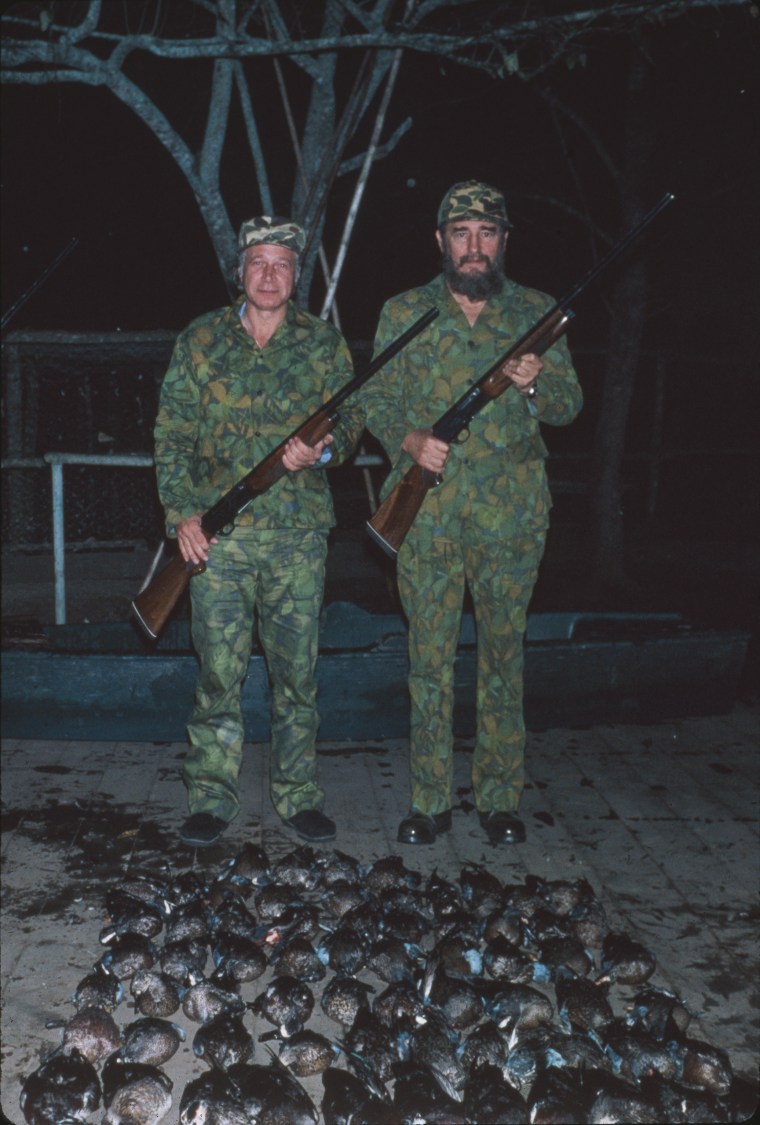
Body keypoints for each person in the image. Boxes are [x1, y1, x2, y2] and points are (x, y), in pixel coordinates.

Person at [362, 180, 583, 846]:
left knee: (502, 656)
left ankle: (499, 802)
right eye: (461, 233)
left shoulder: (540, 312)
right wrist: (411, 440)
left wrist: (536, 381)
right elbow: (372, 401)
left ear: (504, 241)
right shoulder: (404, 312)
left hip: (511, 519)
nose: (474, 246)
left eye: (487, 233)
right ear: (441, 242)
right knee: (428, 659)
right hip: (425, 517)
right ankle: (429, 802)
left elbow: (569, 405)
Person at [153, 216, 364, 847]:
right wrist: (182, 515)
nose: (269, 275)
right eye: (258, 263)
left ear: (297, 276)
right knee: (219, 673)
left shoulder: (324, 344)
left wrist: (322, 452)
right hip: (219, 539)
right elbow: (172, 435)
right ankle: (211, 798)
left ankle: (298, 796)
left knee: (296, 674)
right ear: (240, 272)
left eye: (281, 264)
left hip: (298, 536)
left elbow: (352, 422)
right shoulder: (200, 340)